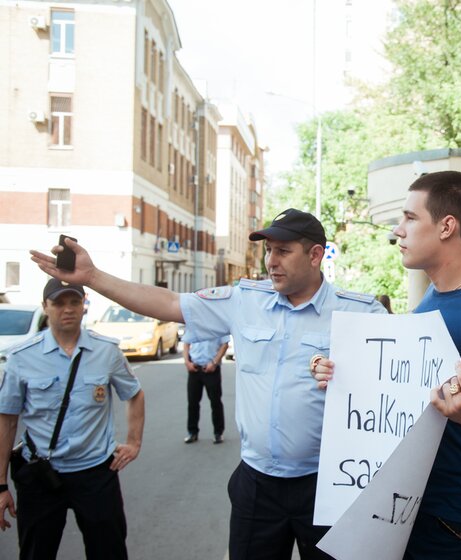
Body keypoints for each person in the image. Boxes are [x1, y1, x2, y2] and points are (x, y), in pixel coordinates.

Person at [30, 209, 388, 560]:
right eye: (268, 250)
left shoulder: (360, 313)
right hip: (257, 485)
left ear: (315, 255)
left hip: (328, 485)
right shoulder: (244, 300)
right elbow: (169, 302)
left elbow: (398, 381)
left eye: (282, 251)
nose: (271, 262)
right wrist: (91, 277)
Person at [314, 171, 461, 559]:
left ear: (447, 226)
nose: (397, 231)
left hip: (459, 523)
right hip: (408, 512)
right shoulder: (430, 299)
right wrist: (344, 376)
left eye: (410, 218)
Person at [0, 278, 145, 559]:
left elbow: (135, 394)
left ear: (84, 305)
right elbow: (6, 421)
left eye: (74, 301)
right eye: (59, 302)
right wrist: (1, 485)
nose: (68, 309)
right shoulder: (22, 357)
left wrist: (133, 442)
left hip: (96, 473)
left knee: (110, 552)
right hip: (41, 474)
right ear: (46, 307)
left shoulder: (107, 351)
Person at [182, 335, 229, 444]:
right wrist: (187, 362)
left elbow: (225, 344)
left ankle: (218, 433)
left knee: (215, 401)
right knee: (192, 402)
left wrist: (214, 362)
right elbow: (186, 343)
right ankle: (192, 432)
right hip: (194, 368)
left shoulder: (218, 323)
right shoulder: (193, 322)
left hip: (211, 368)